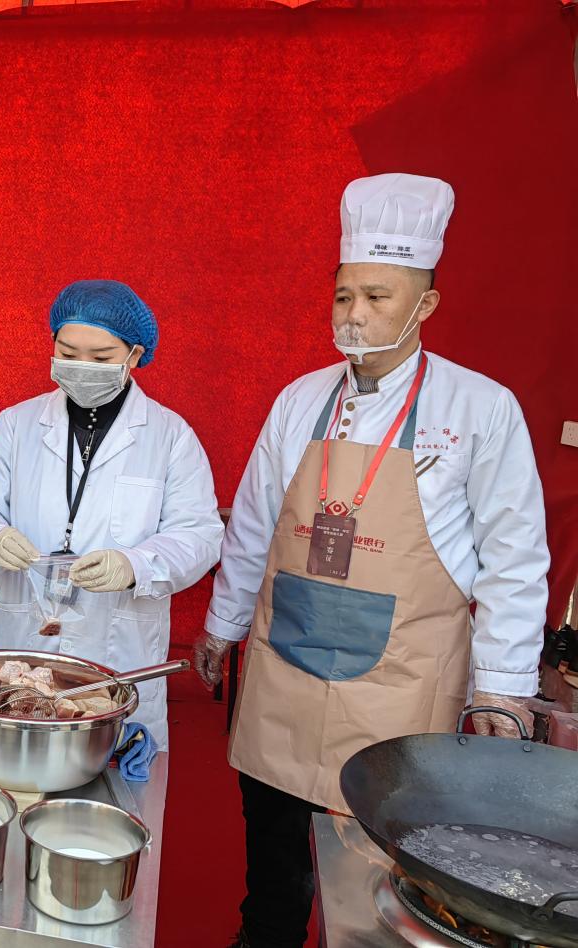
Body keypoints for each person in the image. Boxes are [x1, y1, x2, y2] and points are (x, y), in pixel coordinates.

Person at [192, 174, 551, 948]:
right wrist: (221, 626)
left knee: (386, 899)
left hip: (400, 683)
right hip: (285, 672)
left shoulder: (478, 409)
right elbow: (254, 523)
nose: (355, 315)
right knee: (273, 889)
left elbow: (516, 559)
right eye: (344, 295)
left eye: (379, 298)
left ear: (425, 306)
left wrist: (505, 687)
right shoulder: (297, 400)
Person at [0, 280, 224, 746]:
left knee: (111, 785)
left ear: (135, 355)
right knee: (19, 773)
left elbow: (199, 533)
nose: (82, 368)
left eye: (100, 359)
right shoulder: (17, 424)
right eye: (68, 352)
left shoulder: (169, 436)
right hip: (27, 639)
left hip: (117, 647)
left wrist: (135, 564)